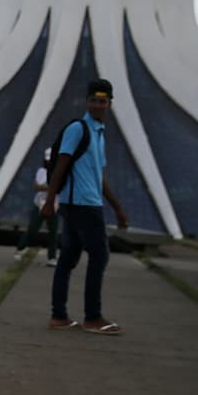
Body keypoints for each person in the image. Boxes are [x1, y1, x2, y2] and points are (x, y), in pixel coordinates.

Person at [42, 80, 130, 334]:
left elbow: (99, 177)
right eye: (93, 100)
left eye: (102, 101)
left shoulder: (98, 134)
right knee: (99, 256)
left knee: (68, 258)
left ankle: (59, 316)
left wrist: (118, 208)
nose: (98, 105)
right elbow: (61, 164)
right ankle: (93, 317)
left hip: (89, 202)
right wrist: (50, 201)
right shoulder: (78, 129)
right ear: (87, 102)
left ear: (109, 104)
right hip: (80, 204)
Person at [15, 147, 59, 266]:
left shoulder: (60, 171)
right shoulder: (41, 171)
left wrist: (49, 187)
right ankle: (20, 249)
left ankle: (52, 257)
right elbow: (36, 187)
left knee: (53, 232)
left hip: (55, 204)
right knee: (33, 228)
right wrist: (50, 187)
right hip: (40, 203)